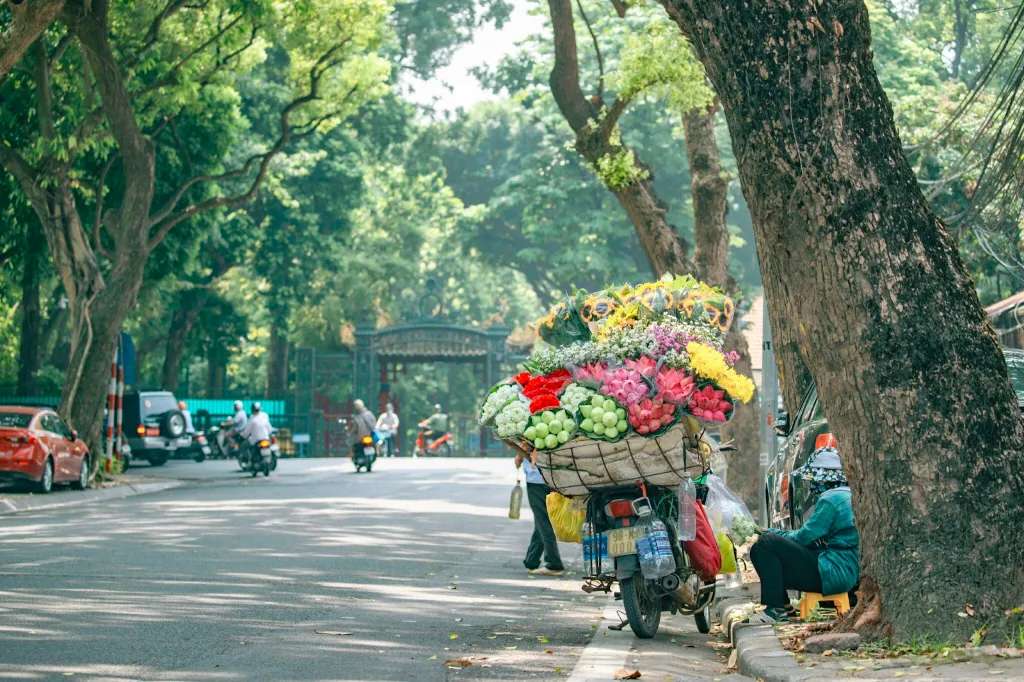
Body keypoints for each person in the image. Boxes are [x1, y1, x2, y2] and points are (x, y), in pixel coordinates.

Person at [749, 444, 860, 621]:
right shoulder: (852, 495)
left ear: (824, 480)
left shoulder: (832, 499)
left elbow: (804, 537)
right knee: (758, 549)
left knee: (766, 543)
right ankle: (783, 606)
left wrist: (771, 532)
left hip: (833, 572)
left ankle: (776, 609)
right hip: (849, 574)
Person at [514, 448, 564, 576]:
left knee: (543, 520)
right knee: (541, 520)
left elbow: (526, 446)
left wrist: (519, 455)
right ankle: (532, 560)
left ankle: (554, 563)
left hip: (536, 479)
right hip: (554, 478)